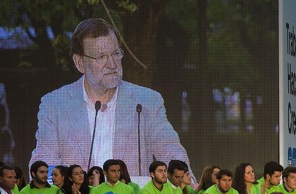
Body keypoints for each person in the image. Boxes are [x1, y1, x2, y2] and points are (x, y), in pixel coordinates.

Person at [30, 18, 195, 183]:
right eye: (101, 56)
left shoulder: (147, 101)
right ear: (80, 63)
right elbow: (45, 162)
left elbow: (171, 151)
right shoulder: (55, 104)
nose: (112, 64)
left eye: (116, 53)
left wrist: (186, 185)